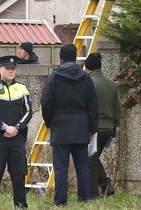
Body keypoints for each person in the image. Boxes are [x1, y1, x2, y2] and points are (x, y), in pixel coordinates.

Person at [41, 43, 98, 205]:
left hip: (60, 126)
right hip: (81, 127)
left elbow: (46, 102)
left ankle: (60, 201)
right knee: (82, 166)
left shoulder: (54, 77)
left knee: (60, 167)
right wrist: (92, 127)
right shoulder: (86, 77)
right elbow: (93, 104)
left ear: (60, 57)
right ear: (75, 56)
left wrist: (49, 122)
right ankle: (85, 198)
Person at [0, 55, 32, 208]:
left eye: (13, 68)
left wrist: (15, 128)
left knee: (19, 174)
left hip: (16, 138)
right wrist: (4, 127)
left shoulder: (22, 88)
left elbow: (28, 112)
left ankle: (21, 205)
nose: (11, 71)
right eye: (7, 68)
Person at [84, 52, 120, 197]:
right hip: (108, 128)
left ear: (87, 66)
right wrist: (114, 127)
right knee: (93, 158)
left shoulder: (88, 82)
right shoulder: (112, 84)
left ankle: (94, 194)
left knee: (89, 160)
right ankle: (106, 187)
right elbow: (117, 109)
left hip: (94, 129)